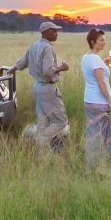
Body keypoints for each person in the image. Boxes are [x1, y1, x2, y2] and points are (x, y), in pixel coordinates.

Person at [9, 21, 70, 152]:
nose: (57, 33)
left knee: (43, 122)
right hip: (48, 88)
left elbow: (22, 63)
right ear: (46, 32)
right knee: (61, 121)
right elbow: (48, 71)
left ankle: (42, 155)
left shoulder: (34, 46)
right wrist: (62, 68)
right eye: (54, 31)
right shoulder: (48, 48)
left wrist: (12, 69)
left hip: (38, 88)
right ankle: (42, 139)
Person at [81, 29, 111, 169]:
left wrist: (104, 62)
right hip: (100, 103)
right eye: (101, 40)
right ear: (92, 42)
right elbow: (101, 83)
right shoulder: (95, 59)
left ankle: (93, 165)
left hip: (89, 100)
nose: (104, 42)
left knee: (93, 134)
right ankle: (100, 166)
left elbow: (94, 71)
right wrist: (110, 103)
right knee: (103, 135)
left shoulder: (86, 57)